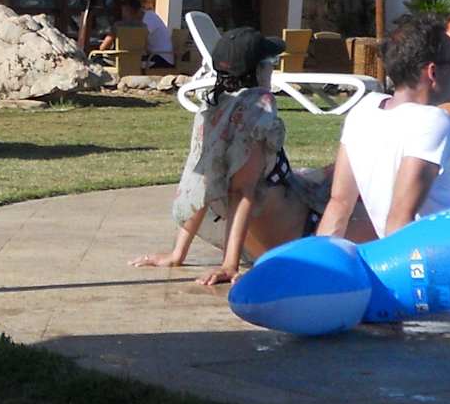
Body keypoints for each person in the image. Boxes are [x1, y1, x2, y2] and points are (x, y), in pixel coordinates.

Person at [130, 26, 328, 287]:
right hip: (293, 239)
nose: (272, 69)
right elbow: (242, 191)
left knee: (328, 172)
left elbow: (201, 183)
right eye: (270, 63)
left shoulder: (213, 109)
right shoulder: (258, 111)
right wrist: (229, 265)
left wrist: (177, 254)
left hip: (263, 239)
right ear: (258, 70)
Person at [316, 14, 450, 243]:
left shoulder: (363, 111)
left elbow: (339, 205)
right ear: (432, 72)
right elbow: (399, 220)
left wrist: (319, 261)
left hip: (400, 248)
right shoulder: (432, 122)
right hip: (443, 251)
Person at [121, 0, 174, 68]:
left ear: (133, 11)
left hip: (162, 59)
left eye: (126, 12)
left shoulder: (149, 19)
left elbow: (139, 42)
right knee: (128, 61)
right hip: (154, 56)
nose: (124, 16)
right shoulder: (146, 17)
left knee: (129, 64)